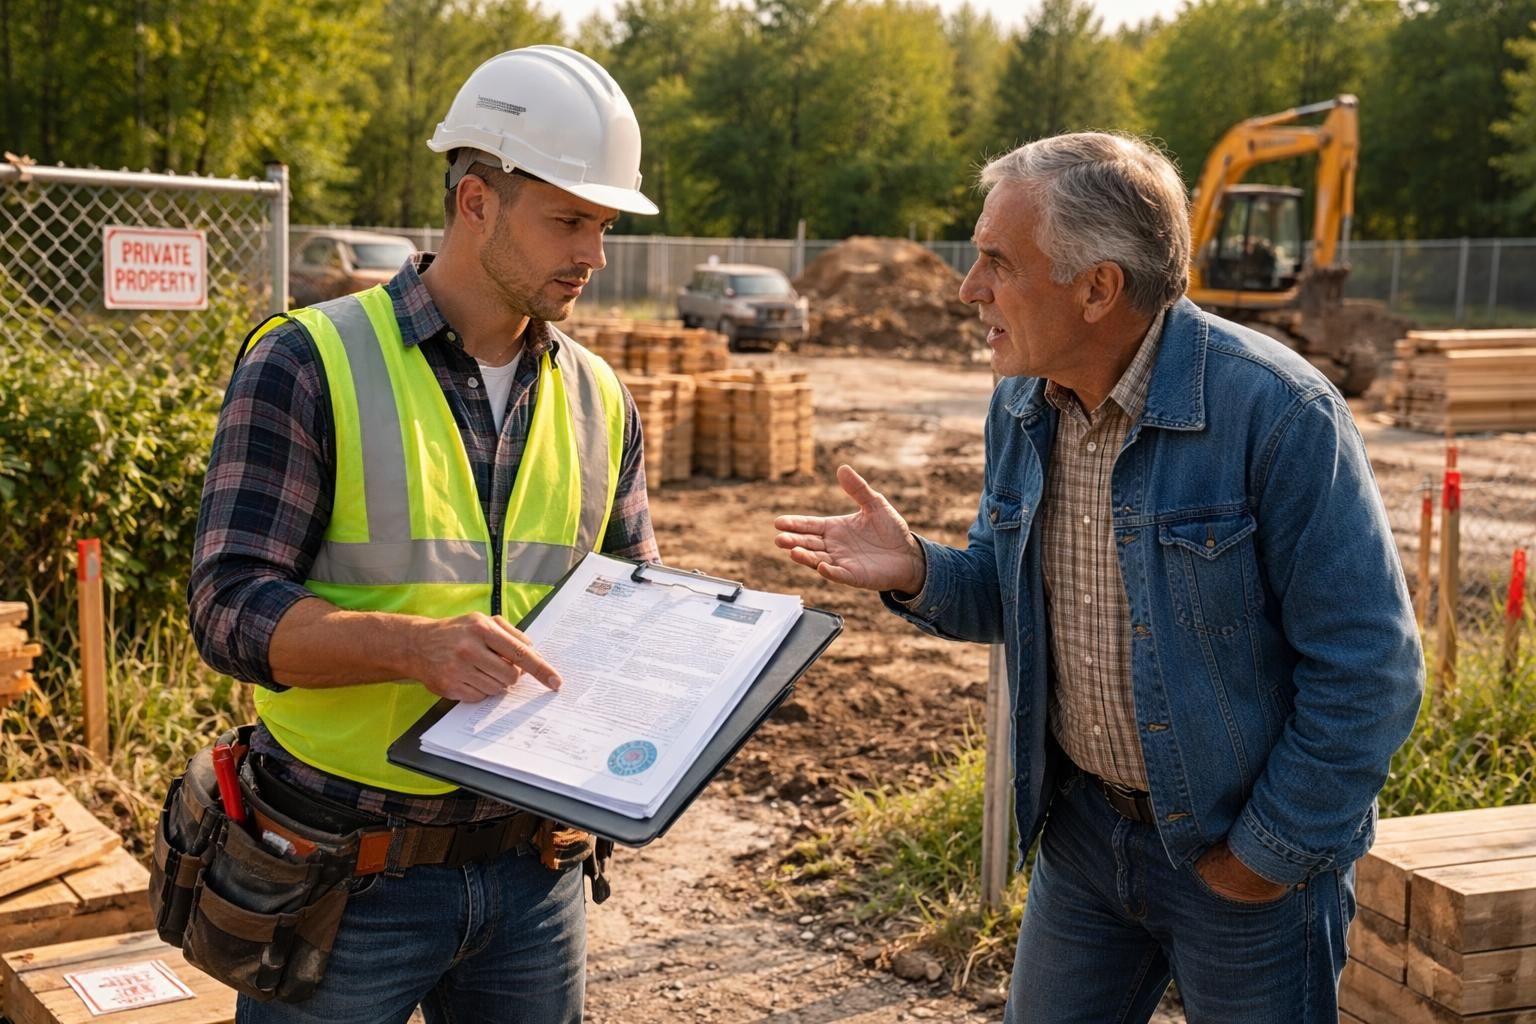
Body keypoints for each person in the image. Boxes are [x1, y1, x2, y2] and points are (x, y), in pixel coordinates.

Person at [772, 132, 1422, 1023]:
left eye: (997, 262)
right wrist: (920, 569)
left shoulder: (1277, 413)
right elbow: (1016, 597)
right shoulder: (1024, 401)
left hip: (1244, 865)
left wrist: (1262, 860)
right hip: (1086, 842)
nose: (970, 290)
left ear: (1098, 288)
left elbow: (1370, 673)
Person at [188, 45, 659, 1024]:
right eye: (569, 219)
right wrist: (413, 648)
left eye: (605, 224)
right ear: (475, 199)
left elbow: (631, 615)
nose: (594, 253)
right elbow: (229, 610)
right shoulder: (308, 361)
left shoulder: (602, 398)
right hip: (341, 876)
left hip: (535, 879)